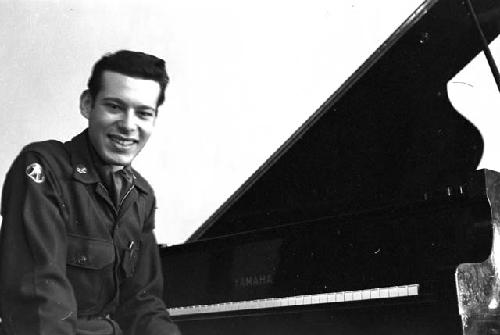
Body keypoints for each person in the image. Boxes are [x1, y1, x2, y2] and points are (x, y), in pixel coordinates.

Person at [0, 50, 180, 335]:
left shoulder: (141, 196)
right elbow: (40, 308)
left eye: (144, 113)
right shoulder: (43, 168)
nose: (128, 125)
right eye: (114, 107)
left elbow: (143, 303)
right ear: (87, 105)